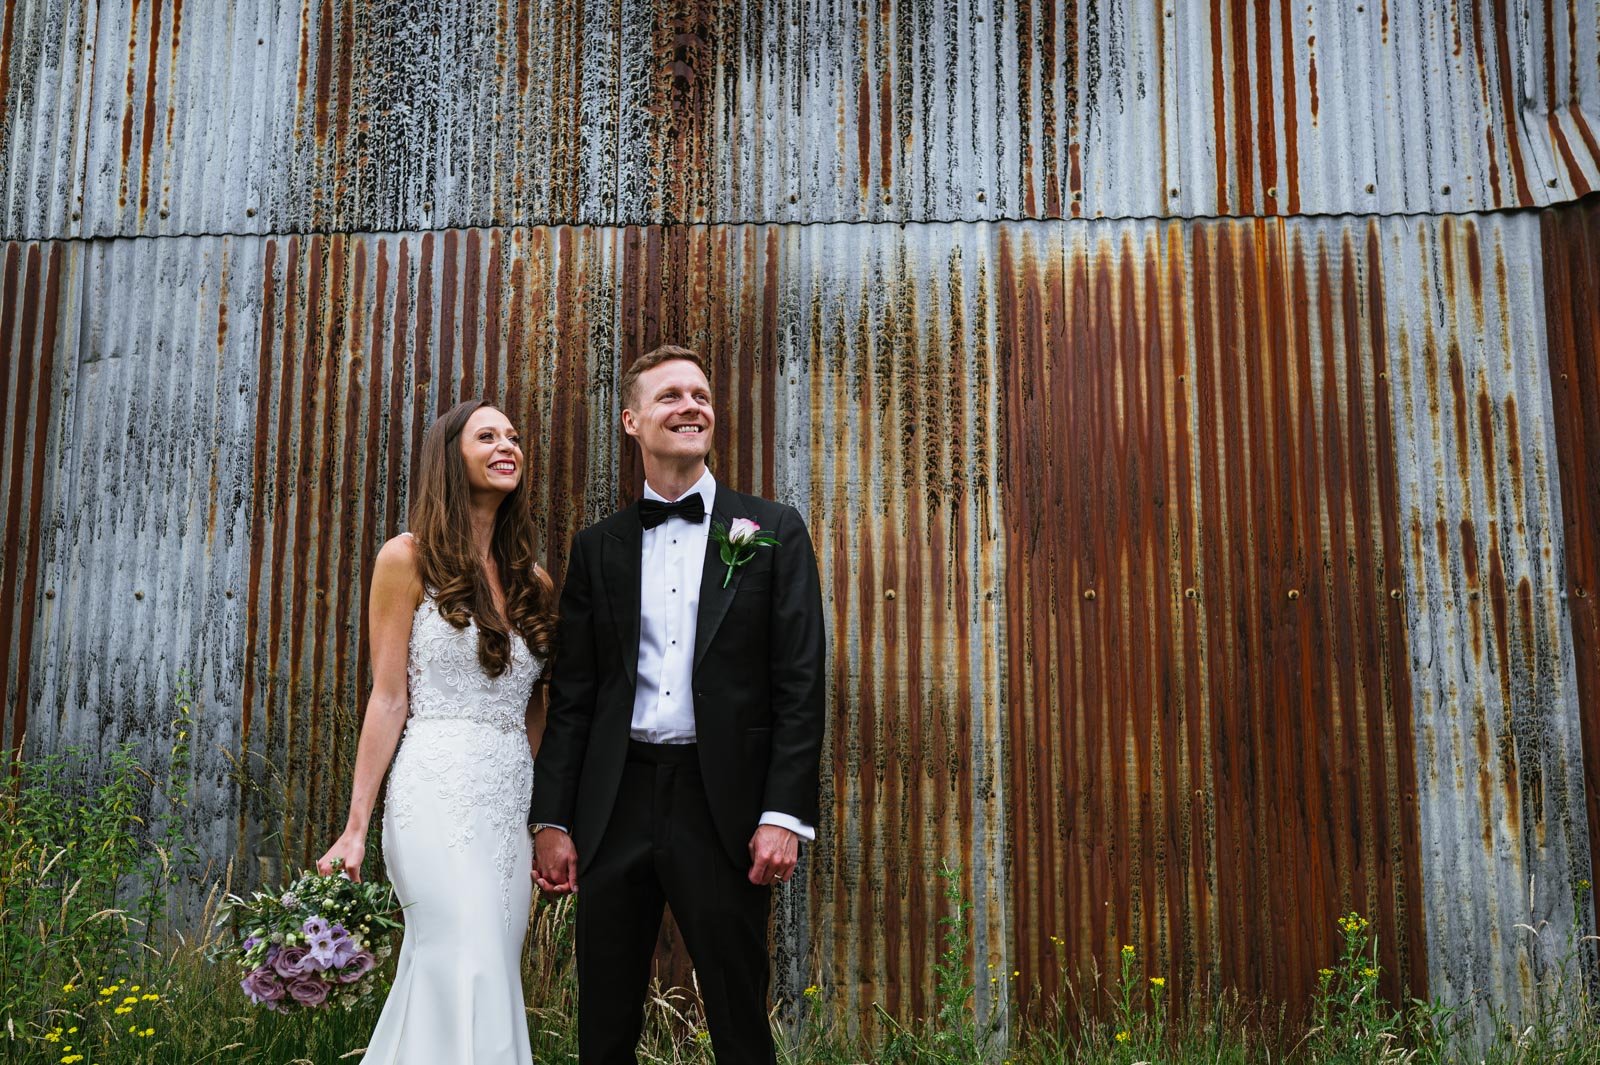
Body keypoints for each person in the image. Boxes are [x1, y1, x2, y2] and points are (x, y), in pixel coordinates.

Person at [531, 344, 826, 1064]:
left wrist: (782, 815)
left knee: (737, 1012)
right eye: (670, 396)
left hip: (720, 802)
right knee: (604, 1017)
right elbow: (572, 697)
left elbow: (800, 683)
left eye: (700, 393)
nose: (691, 405)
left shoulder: (774, 532)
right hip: (616, 798)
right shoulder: (597, 548)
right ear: (632, 420)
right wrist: (552, 817)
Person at [318, 399, 556, 1064]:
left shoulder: (533, 580)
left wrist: (543, 821)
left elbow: (535, 709)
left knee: (486, 964)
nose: (507, 444)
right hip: (433, 788)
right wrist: (356, 825)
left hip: (507, 800)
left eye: (512, 435)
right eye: (488, 435)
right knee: (463, 954)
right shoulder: (406, 558)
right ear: (450, 458)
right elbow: (389, 697)